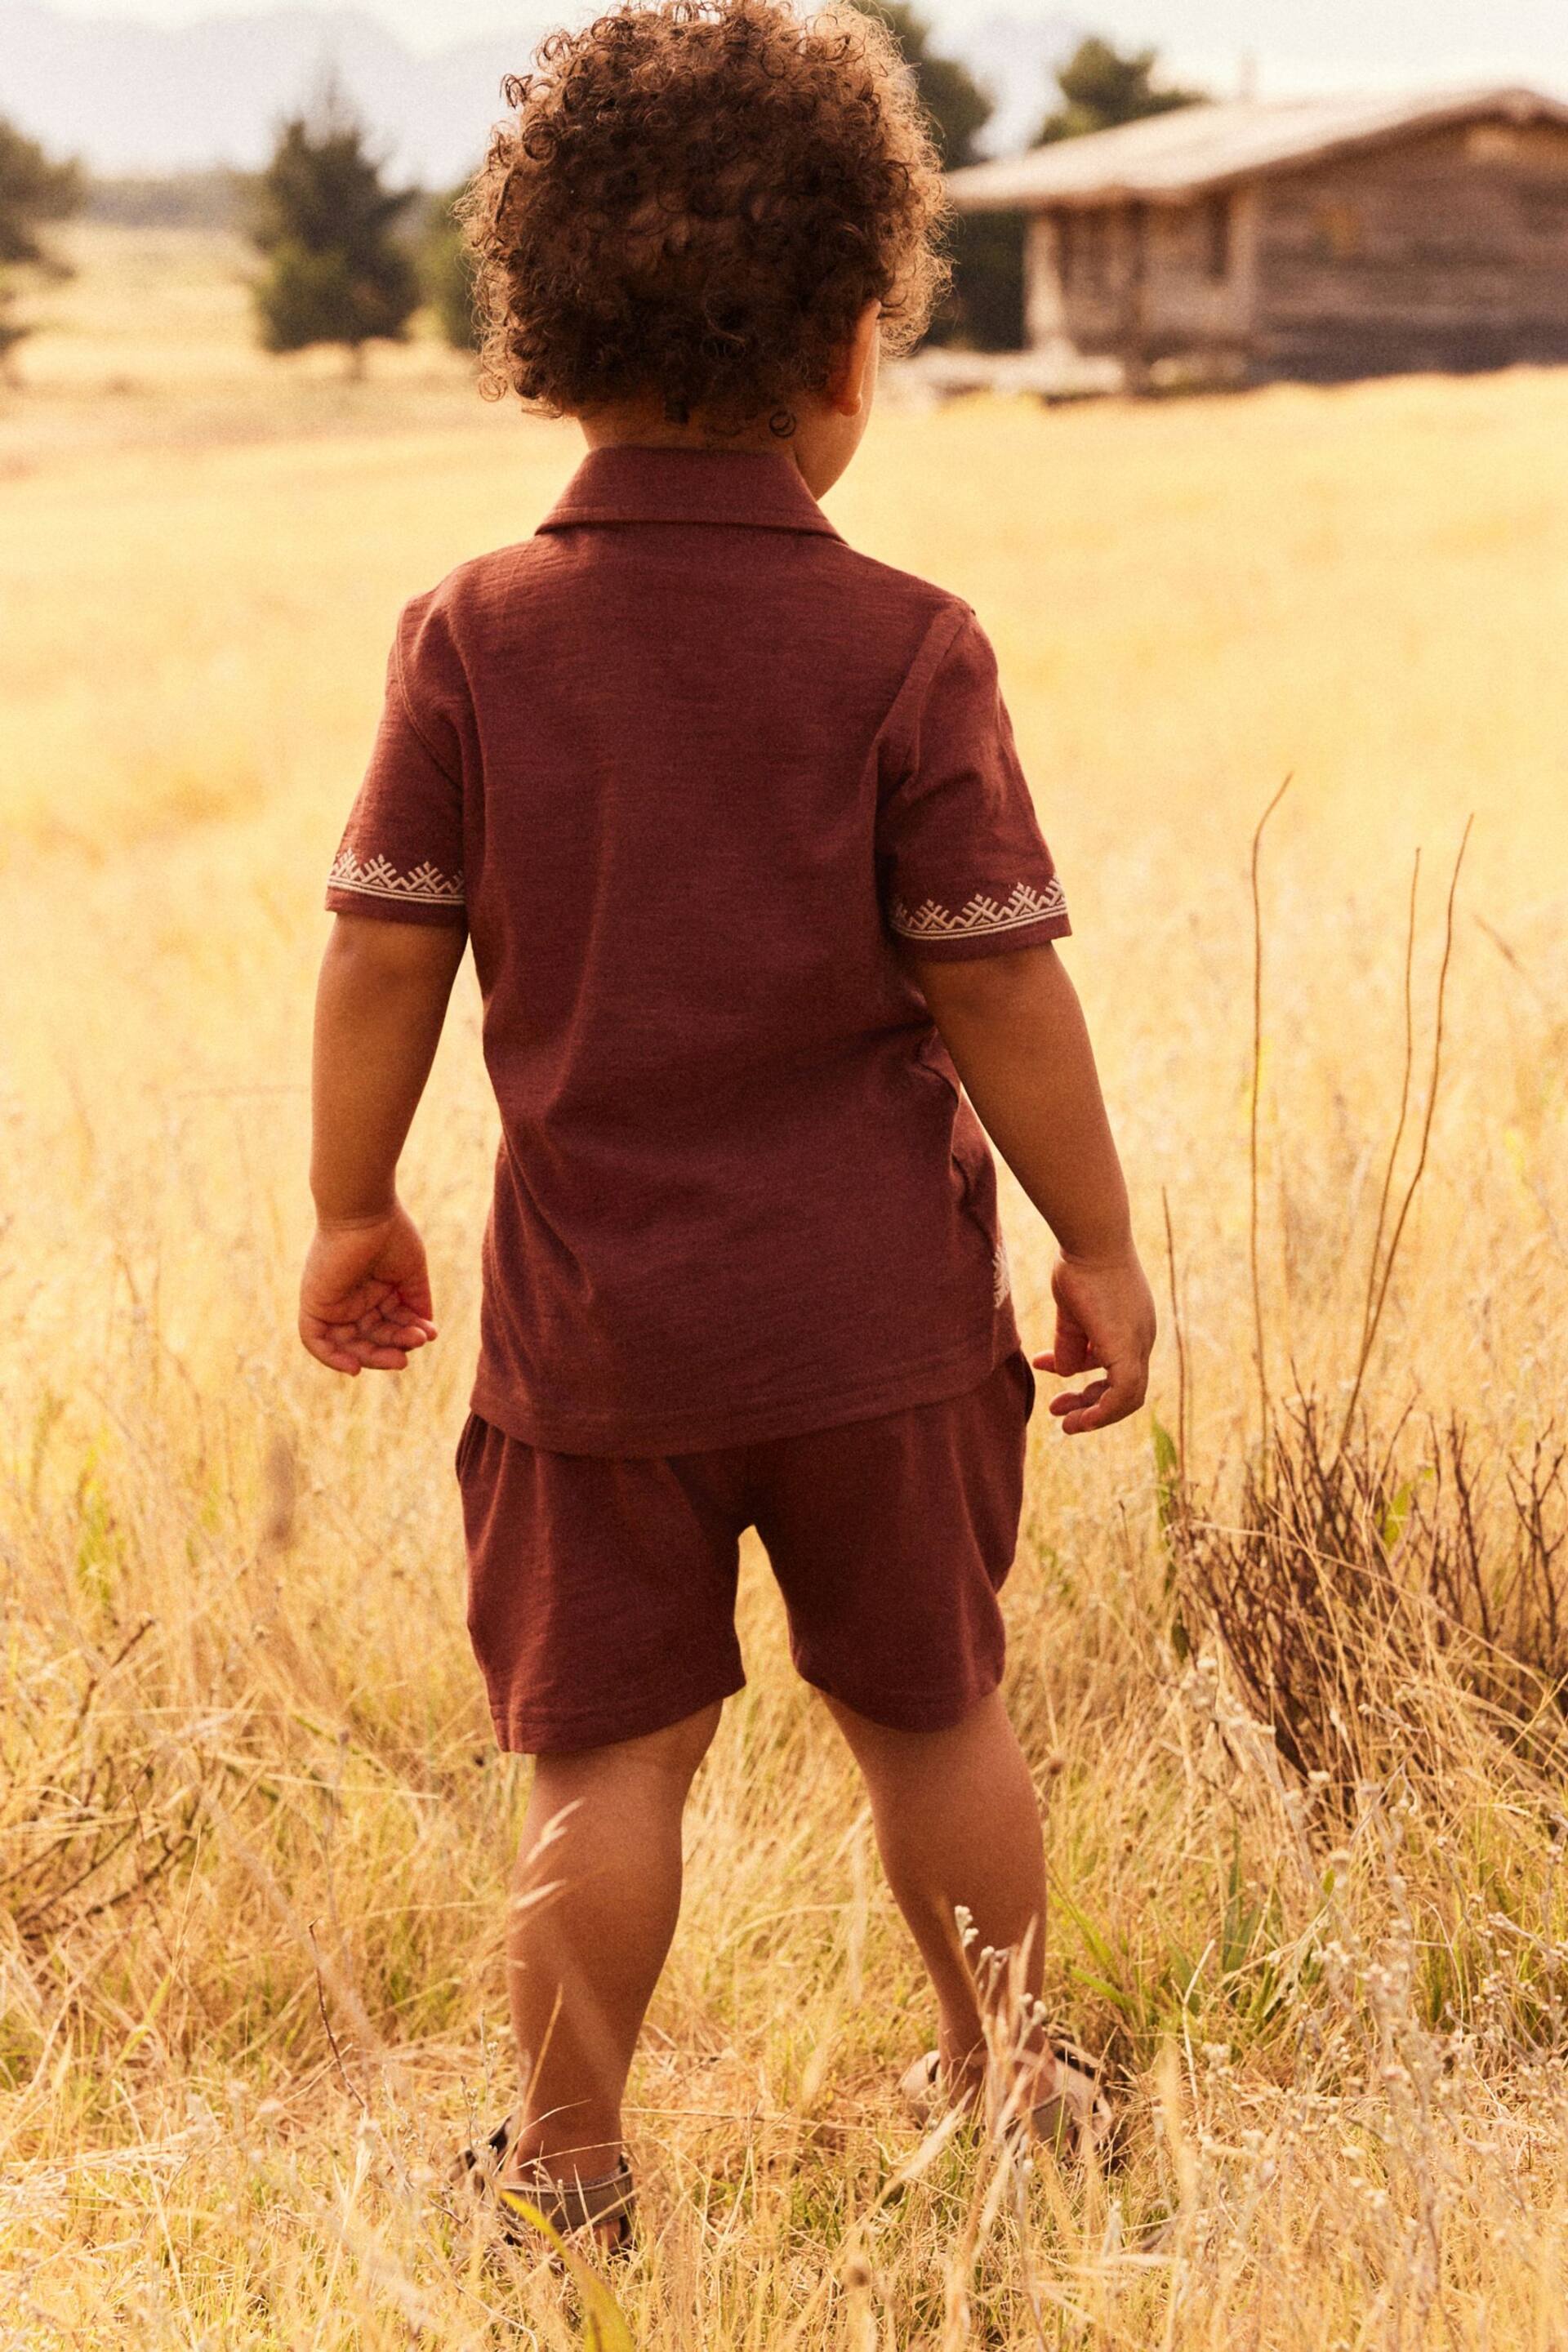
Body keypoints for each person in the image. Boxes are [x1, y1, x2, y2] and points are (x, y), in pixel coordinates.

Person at [299, 0, 1155, 2255]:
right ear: (854, 344)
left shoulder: (471, 640)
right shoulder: (904, 643)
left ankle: (569, 2167)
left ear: (542, 333)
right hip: (878, 1333)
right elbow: (993, 971)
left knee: (606, 1762)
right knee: (933, 1713)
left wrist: (350, 1202)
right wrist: (1100, 1238)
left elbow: (386, 950)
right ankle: (1006, 2093)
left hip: (599, 1354)